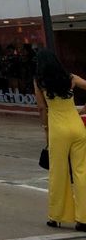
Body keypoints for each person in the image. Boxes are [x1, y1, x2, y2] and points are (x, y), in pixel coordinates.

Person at [34, 48, 86, 231]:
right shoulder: (70, 77)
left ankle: (56, 216)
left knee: (58, 172)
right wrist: (83, 109)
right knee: (81, 172)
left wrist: (46, 129)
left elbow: (42, 108)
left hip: (58, 130)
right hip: (78, 128)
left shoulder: (40, 82)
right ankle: (83, 218)